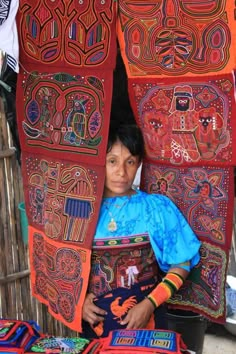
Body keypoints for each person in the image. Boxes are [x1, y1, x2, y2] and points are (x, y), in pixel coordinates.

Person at [82, 122, 201, 338]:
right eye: (112, 161)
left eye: (129, 162)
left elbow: (182, 262)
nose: (121, 172)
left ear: (138, 164)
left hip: (148, 323)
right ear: (99, 162)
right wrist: (79, 301)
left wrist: (149, 304)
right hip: (95, 328)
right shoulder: (82, 210)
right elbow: (62, 265)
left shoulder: (155, 208)